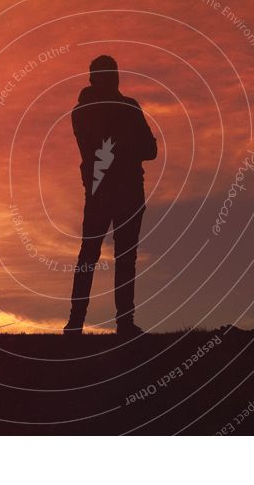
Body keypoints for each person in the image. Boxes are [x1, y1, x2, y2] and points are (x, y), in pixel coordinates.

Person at [64, 55, 157, 337]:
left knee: (96, 256)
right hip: (114, 189)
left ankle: (84, 323)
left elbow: (149, 151)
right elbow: (146, 149)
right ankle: (109, 323)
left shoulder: (84, 111)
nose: (112, 80)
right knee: (109, 256)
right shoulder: (118, 109)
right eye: (108, 75)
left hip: (108, 190)